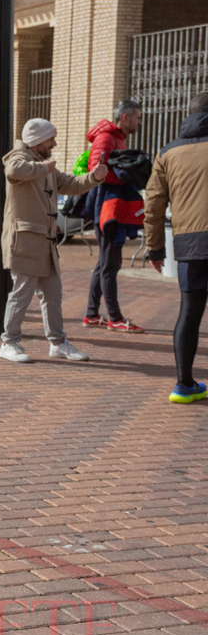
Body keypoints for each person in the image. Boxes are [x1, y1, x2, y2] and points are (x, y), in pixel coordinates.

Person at [0, 119, 107, 364]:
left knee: (53, 294)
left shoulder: (42, 164)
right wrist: (44, 168)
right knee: (21, 294)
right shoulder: (19, 157)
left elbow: (69, 184)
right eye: (51, 139)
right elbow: (13, 170)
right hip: (25, 241)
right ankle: (9, 342)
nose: (54, 144)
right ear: (38, 141)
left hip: (46, 243)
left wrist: (94, 177)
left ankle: (58, 343)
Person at [145, 92, 208, 404]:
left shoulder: (168, 152)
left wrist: (155, 248)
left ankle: (183, 384)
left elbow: (154, 204)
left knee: (190, 312)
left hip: (189, 245)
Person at [84, 99, 145, 333]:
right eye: (138, 117)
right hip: (108, 207)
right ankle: (115, 318)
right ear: (125, 117)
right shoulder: (107, 137)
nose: (140, 121)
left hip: (115, 205)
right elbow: (96, 171)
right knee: (110, 264)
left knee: (105, 262)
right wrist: (128, 175)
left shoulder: (117, 138)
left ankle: (91, 314)